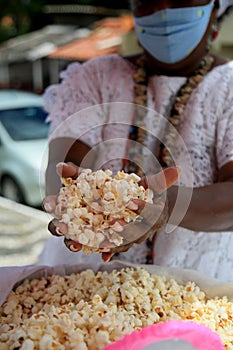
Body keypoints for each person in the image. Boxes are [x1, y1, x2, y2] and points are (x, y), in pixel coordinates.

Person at [40, 0, 233, 282]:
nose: (164, 11)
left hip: (189, 297)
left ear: (216, 7)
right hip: (81, 294)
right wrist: (76, 203)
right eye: (148, 0)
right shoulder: (93, 77)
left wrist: (164, 206)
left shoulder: (228, 88)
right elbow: (65, 163)